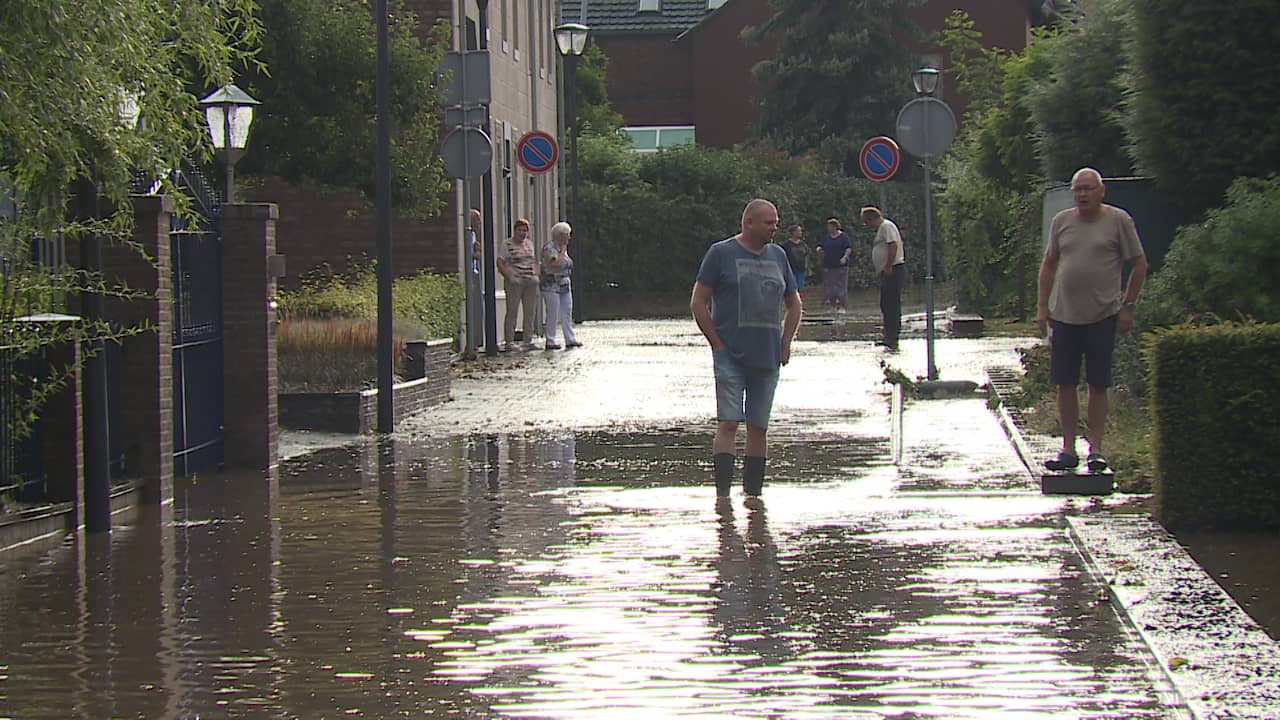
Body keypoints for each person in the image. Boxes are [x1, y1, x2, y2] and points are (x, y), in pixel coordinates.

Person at [1037, 167, 1148, 473]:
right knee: (1065, 382)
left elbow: (1139, 265)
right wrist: (1042, 307)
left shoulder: (1118, 221)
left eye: (1088, 189)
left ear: (1101, 191)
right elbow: (1049, 265)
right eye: (1077, 190)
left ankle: (1095, 449)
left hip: (1103, 315)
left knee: (1099, 382)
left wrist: (1128, 306)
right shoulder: (1062, 222)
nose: (1082, 195)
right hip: (1064, 316)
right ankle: (1068, 449)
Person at [691, 199, 803, 498]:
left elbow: (795, 304)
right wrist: (716, 343)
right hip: (729, 354)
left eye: (776, 222)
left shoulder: (779, 256)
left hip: (768, 356)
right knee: (728, 421)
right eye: (769, 222)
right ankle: (723, 498)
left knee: (758, 427)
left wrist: (786, 342)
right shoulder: (721, 253)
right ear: (749, 222)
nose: (775, 227)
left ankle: (754, 498)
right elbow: (698, 302)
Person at [861, 206, 906, 350]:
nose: (866, 225)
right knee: (886, 303)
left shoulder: (886, 226)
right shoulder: (884, 228)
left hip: (893, 269)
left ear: (872, 218)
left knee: (891, 304)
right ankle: (888, 335)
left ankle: (892, 337)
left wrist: (888, 265)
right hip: (888, 270)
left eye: (866, 222)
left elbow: (893, 245)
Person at [497, 218, 539, 351]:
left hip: (530, 281)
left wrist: (535, 275)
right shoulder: (507, 244)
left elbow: (533, 261)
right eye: (520, 230)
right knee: (512, 311)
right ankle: (509, 341)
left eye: (525, 230)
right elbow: (500, 262)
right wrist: (509, 276)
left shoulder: (529, 244)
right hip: (515, 281)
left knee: (530, 311)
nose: (523, 233)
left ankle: (528, 340)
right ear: (515, 231)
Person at [540, 221, 581, 350]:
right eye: (567, 235)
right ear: (560, 235)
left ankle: (570, 338)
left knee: (567, 311)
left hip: (564, 285)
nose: (569, 237)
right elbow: (556, 263)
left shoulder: (562, 249)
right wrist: (563, 251)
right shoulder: (550, 248)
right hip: (551, 285)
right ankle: (550, 340)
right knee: (552, 312)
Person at [814, 218, 852, 317]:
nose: (829, 228)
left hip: (841, 265)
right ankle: (832, 306)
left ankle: (843, 306)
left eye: (830, 226)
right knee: (829, 287)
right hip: (828, 265)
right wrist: (819, 250)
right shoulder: (826, 237)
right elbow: (820, 246)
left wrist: (844, 258)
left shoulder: (843, 237)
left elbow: (848, 248)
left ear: (835, 226)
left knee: (841, 286)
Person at [781, 224, 810, 291]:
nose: (800, 232)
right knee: (791, 289)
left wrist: (807, 267)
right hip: (790, 270)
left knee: (800, 289)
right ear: (793, 232)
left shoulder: (802, 244)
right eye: (798, 231)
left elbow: (806, 254)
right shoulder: (786, 245)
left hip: (801, 270)